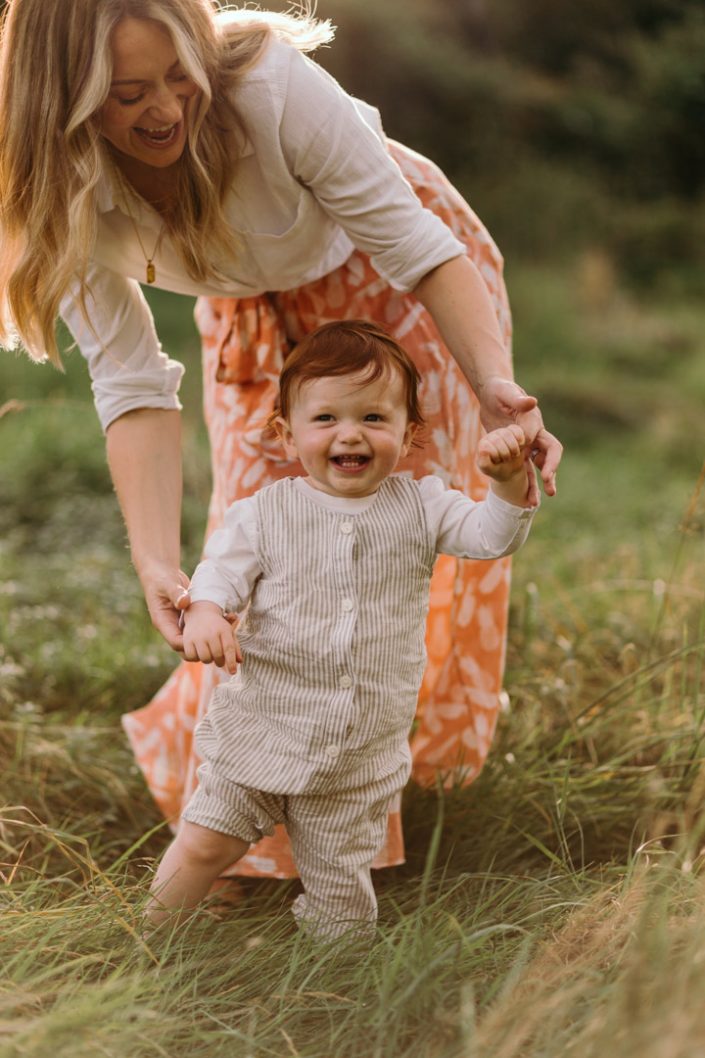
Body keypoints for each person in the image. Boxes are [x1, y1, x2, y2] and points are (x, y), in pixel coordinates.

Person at [0, 0, 561, 880]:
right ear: (60, 102)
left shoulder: (267, 88)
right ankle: (239, 845)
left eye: (180, 77)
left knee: (397, 537)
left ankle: (362, 823)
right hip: (252, 308)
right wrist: (155, 560)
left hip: (396, 280)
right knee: (257, 556)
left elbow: (418, 248)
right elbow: (133, 384)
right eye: (127, 93)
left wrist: (495, 389)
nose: (165, 112)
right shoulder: (48, 182)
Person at [147, 319, 537, 935]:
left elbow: (492, 537)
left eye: (373, 419)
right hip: (264, 732)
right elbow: (218, 575)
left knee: (342, 897)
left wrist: (509, 483)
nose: (349, 433)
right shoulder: (264, 514)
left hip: (357, 753)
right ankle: (146, 945)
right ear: (286, 433)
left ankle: (333, 992)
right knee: (202, 846)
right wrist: (203, 611)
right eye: (326, 419)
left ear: (409, 434)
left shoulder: (424, 504)